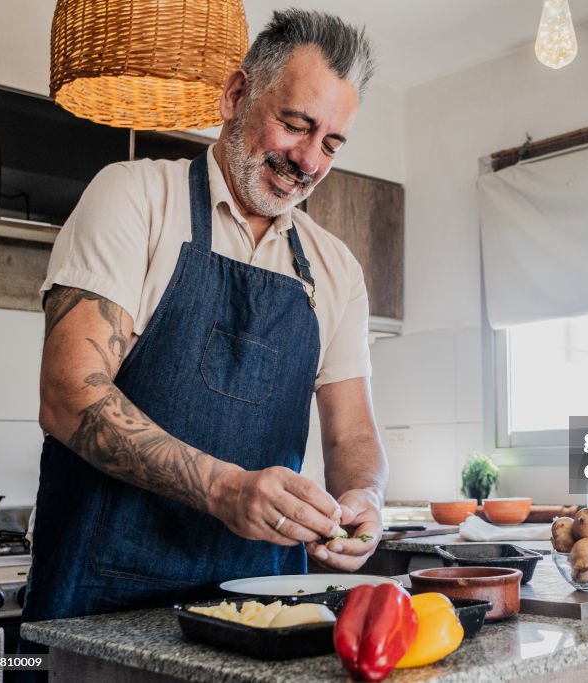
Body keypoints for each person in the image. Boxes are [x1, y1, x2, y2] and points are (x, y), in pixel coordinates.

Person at [22, 9, 387, 624]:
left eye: (330, 143)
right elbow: (68, 395)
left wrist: (365, 498)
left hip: (263, 605)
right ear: (236, 94)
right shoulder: (135, 196)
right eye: (295, 125)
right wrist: (222, 489)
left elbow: (351, 436)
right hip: (103, 600)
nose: (308, 160)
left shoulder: (336, 268)